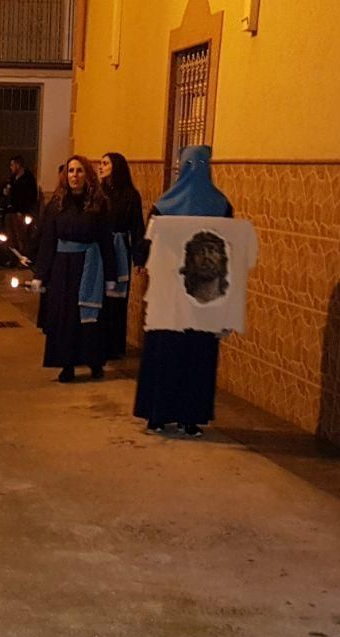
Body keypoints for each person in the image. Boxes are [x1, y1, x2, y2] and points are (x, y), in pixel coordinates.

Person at [132, 145, 233, 437]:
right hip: (204, 293)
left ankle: (158, 415)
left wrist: (141, 260)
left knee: (165, 352)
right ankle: (191, 418)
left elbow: (146, 245)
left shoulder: (165, 205)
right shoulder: (221, 205)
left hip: (169, 294)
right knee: (197, 355)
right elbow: (228, 250)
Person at [34, 156, 117, 382]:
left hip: (89, 266)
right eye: (71, 171)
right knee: (64, 317)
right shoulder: (57, 204)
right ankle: (66, 364)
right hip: (63, 268)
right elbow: (48, 240)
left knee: (89, 317)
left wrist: (111, 275)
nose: (74, 176)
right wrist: (40, 274)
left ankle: (94, 361)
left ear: (87, 175)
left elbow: (105, 241)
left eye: (79, 171)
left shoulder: (98, 205)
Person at [99, 152, 146, 359]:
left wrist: (139, 257)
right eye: (101, 163)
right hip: (99, 249)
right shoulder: (98, 193)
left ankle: (114, 345)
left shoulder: (130, 195)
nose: (101, 167)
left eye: (105, 163)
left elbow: (137, 227)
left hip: (119, 250)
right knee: (98, 296)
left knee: (117, 300)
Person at [1, 156, 39, 265]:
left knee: (22, 237)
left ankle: (24, 259)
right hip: (10, 211)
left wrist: (24, 211)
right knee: (11, 237)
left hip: (21, 212)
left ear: (18, 165)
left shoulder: (28, 178)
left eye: (12, 165)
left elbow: (31, 197)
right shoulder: (12, 178)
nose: (11, 167)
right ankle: (13, 258)